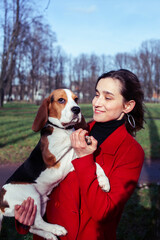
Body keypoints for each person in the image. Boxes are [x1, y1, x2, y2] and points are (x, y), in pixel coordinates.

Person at [14, 69, 145, 240]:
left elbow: (104, 213)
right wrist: (26, 218)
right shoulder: (70, 131)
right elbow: (38, 181)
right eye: (96, 94)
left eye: (108, 97)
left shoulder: (131, 152)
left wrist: (84, 158)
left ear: (127, 106)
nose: (97, 103)